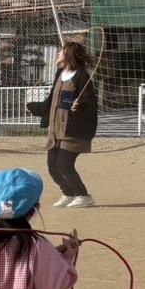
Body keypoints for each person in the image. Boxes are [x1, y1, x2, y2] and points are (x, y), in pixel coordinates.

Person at [43, 41, 98, 209]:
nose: (58, 53)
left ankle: (83, 196)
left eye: (62, 51)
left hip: (73, 129)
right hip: (55, 127)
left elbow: (90, 102)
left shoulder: (82, 76)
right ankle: (68, 193)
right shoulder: (60, 73)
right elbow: (53, 99)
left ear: (69, 55)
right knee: (52, 166)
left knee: (64, 164)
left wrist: (79, 106)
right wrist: (38, 108)